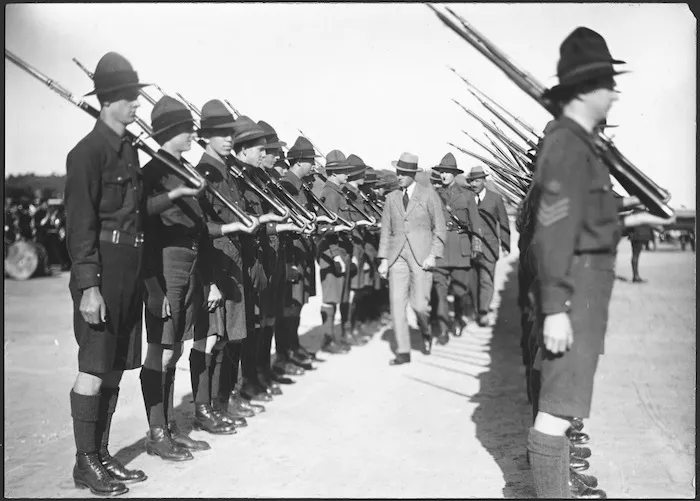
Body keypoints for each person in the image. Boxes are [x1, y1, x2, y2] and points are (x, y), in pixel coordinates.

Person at [66, 52, 202, 496]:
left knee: (113, 369)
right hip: (102, 273)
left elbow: (139, 213)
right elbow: (81, 225)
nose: (136, 106)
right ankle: (85, 461)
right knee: (92, 367)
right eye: (129, 99)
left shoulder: (126, 151)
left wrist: (175, 193)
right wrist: (88, 286)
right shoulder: (87, 154)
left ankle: (101, 455)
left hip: (128, 270)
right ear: (108, 102)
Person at [527, 27, 627, 499]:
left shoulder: (578, 143)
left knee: (563, 409)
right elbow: (552, 232)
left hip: (583, 290)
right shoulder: (567, 145)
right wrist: (554, 308)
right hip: (572, 291)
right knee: (554, 413)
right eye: (608, 83)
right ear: (586, 89)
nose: (614, 93)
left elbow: (584, 221)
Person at [140, 96, 235, 464]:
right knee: (161, 350)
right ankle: (157, 432)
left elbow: (199, 227)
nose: (193, 134)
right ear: (169, 132)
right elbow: (143, 227)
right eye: (186, 129)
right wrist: (154, 287)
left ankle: (170, 430)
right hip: (167, 264)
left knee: (176, 350)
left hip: (193, 261)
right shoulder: (151, 173)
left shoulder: (185, 170)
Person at [193, 100, 262, 433]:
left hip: (232, 261)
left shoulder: (225, 170)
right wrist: (209, 281)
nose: (227, 139)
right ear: (204, 136)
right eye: (219, 134)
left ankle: (220, 402)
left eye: (229, 133)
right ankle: (205, 408)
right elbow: (200, 229)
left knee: (228, 338)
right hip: (214, 264)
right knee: (211, 339)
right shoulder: (204, 172)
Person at [233, 116, 299, 403]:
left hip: (270, 256)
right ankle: (248, 378)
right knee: (254, 322)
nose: (270, 156)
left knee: (265, 319)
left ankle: (260, 371)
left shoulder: (263, 179)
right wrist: (275, 226)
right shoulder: (243, 178)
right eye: (266, 151)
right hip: (254, 258)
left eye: (267, 151)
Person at [378, 152, 446, 365]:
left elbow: (440, 228)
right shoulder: (391, 198)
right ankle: (403, 351)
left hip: (422, 256)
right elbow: (386, 230)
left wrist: (434, 254)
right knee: (397, 303)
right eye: (398, 172)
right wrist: (383, 259)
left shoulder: (429, 195)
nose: (399, 176)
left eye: (404, 173)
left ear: (412, 174)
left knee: (419, 306)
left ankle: (425, 330)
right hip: (396, 256)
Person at [257, 120, 304, 381]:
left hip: (275, 256)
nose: (276, 156)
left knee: (270, 317)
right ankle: (253, 376)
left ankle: (264, 370)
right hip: (261, 258)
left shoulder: (271, 179)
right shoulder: (255, 179)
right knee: (259, 320)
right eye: (272, 151)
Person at [277, 136, 323, 371]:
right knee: (289, 308)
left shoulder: (299, 185)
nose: (313, 166)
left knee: (297, 306)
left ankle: (292, 347)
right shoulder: (286, 184)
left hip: (302, 253)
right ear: (299, 162)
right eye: (311, 161)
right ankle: (285, 355)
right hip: (290, 255)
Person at [431, 153, 480, 343]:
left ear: (454, 174)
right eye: (441, 172)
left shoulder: (467, 195)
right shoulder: (433, 195)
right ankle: (443, 329)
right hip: (440, 248)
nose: (443, 175)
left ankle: (459, 319)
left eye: (447, 172)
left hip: (461, 248)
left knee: (460, 291)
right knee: (440, 291)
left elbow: (476, 224)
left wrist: (476, 246)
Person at [316, 150, 358, 354]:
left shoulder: (337, 192)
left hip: (340, 252)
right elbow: (326, 230)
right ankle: (327, 339)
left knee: (337, 296)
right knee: (330, 298)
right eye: (344, 171)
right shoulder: (330, 194)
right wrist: (336, 256)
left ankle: (331, 337)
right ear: (334, 172)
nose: (348, 175)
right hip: (333, 253)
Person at [465, 165, 511, 327]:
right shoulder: (467, 198)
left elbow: (503, 221)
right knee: (473, 282)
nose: (474, 184)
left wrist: (505, 244)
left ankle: (483, 312)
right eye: (471, 181)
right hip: (470, 247)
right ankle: (477, 309)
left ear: (484, 181)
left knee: (486, 280)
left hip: (490, 247)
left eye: (477, 180)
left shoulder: (495, 198)